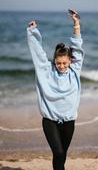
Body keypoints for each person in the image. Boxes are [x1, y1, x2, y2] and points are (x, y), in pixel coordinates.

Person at [27, 9, 84, 170]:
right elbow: (38, 55)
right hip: (50, 120)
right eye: (58, 63)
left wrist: (76, 24)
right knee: (58, 153)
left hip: (69, 121)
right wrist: (33, 32)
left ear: (70, 61)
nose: (61, 66)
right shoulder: (47, 71)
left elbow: (77, 48)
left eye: (65, 63)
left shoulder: (74, 70)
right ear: (55, 61)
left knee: (62, 155)